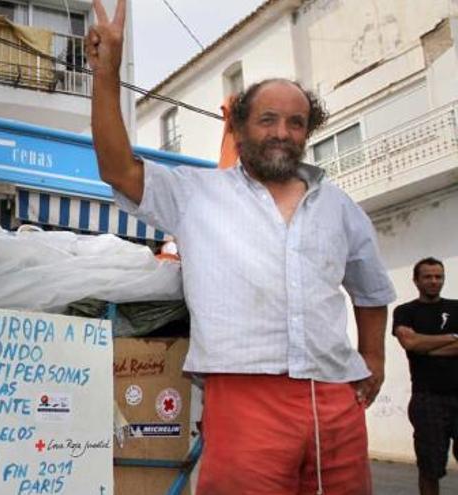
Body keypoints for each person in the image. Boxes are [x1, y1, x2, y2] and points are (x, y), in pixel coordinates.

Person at [85, 1, 396, 493]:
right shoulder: (196, 194)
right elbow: (117, 168)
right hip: (244, 396)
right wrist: (106, 74)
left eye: (296, 123)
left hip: (336, 400)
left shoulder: (339, 206)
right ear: (239, 127)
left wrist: (374, 361)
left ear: (308, 133)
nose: (282, 133)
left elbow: (371, 290)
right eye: (268, 119)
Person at [393, 258, 458, 495]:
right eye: (428, 277)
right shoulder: (405, 312)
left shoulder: (457, 308)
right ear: (416, 280)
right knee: (429, 469)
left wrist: (425, 347)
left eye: (438, 276)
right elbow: (409, 342)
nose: (434, 281)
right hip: (427, 399)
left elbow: (417, 345)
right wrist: (454, 337)